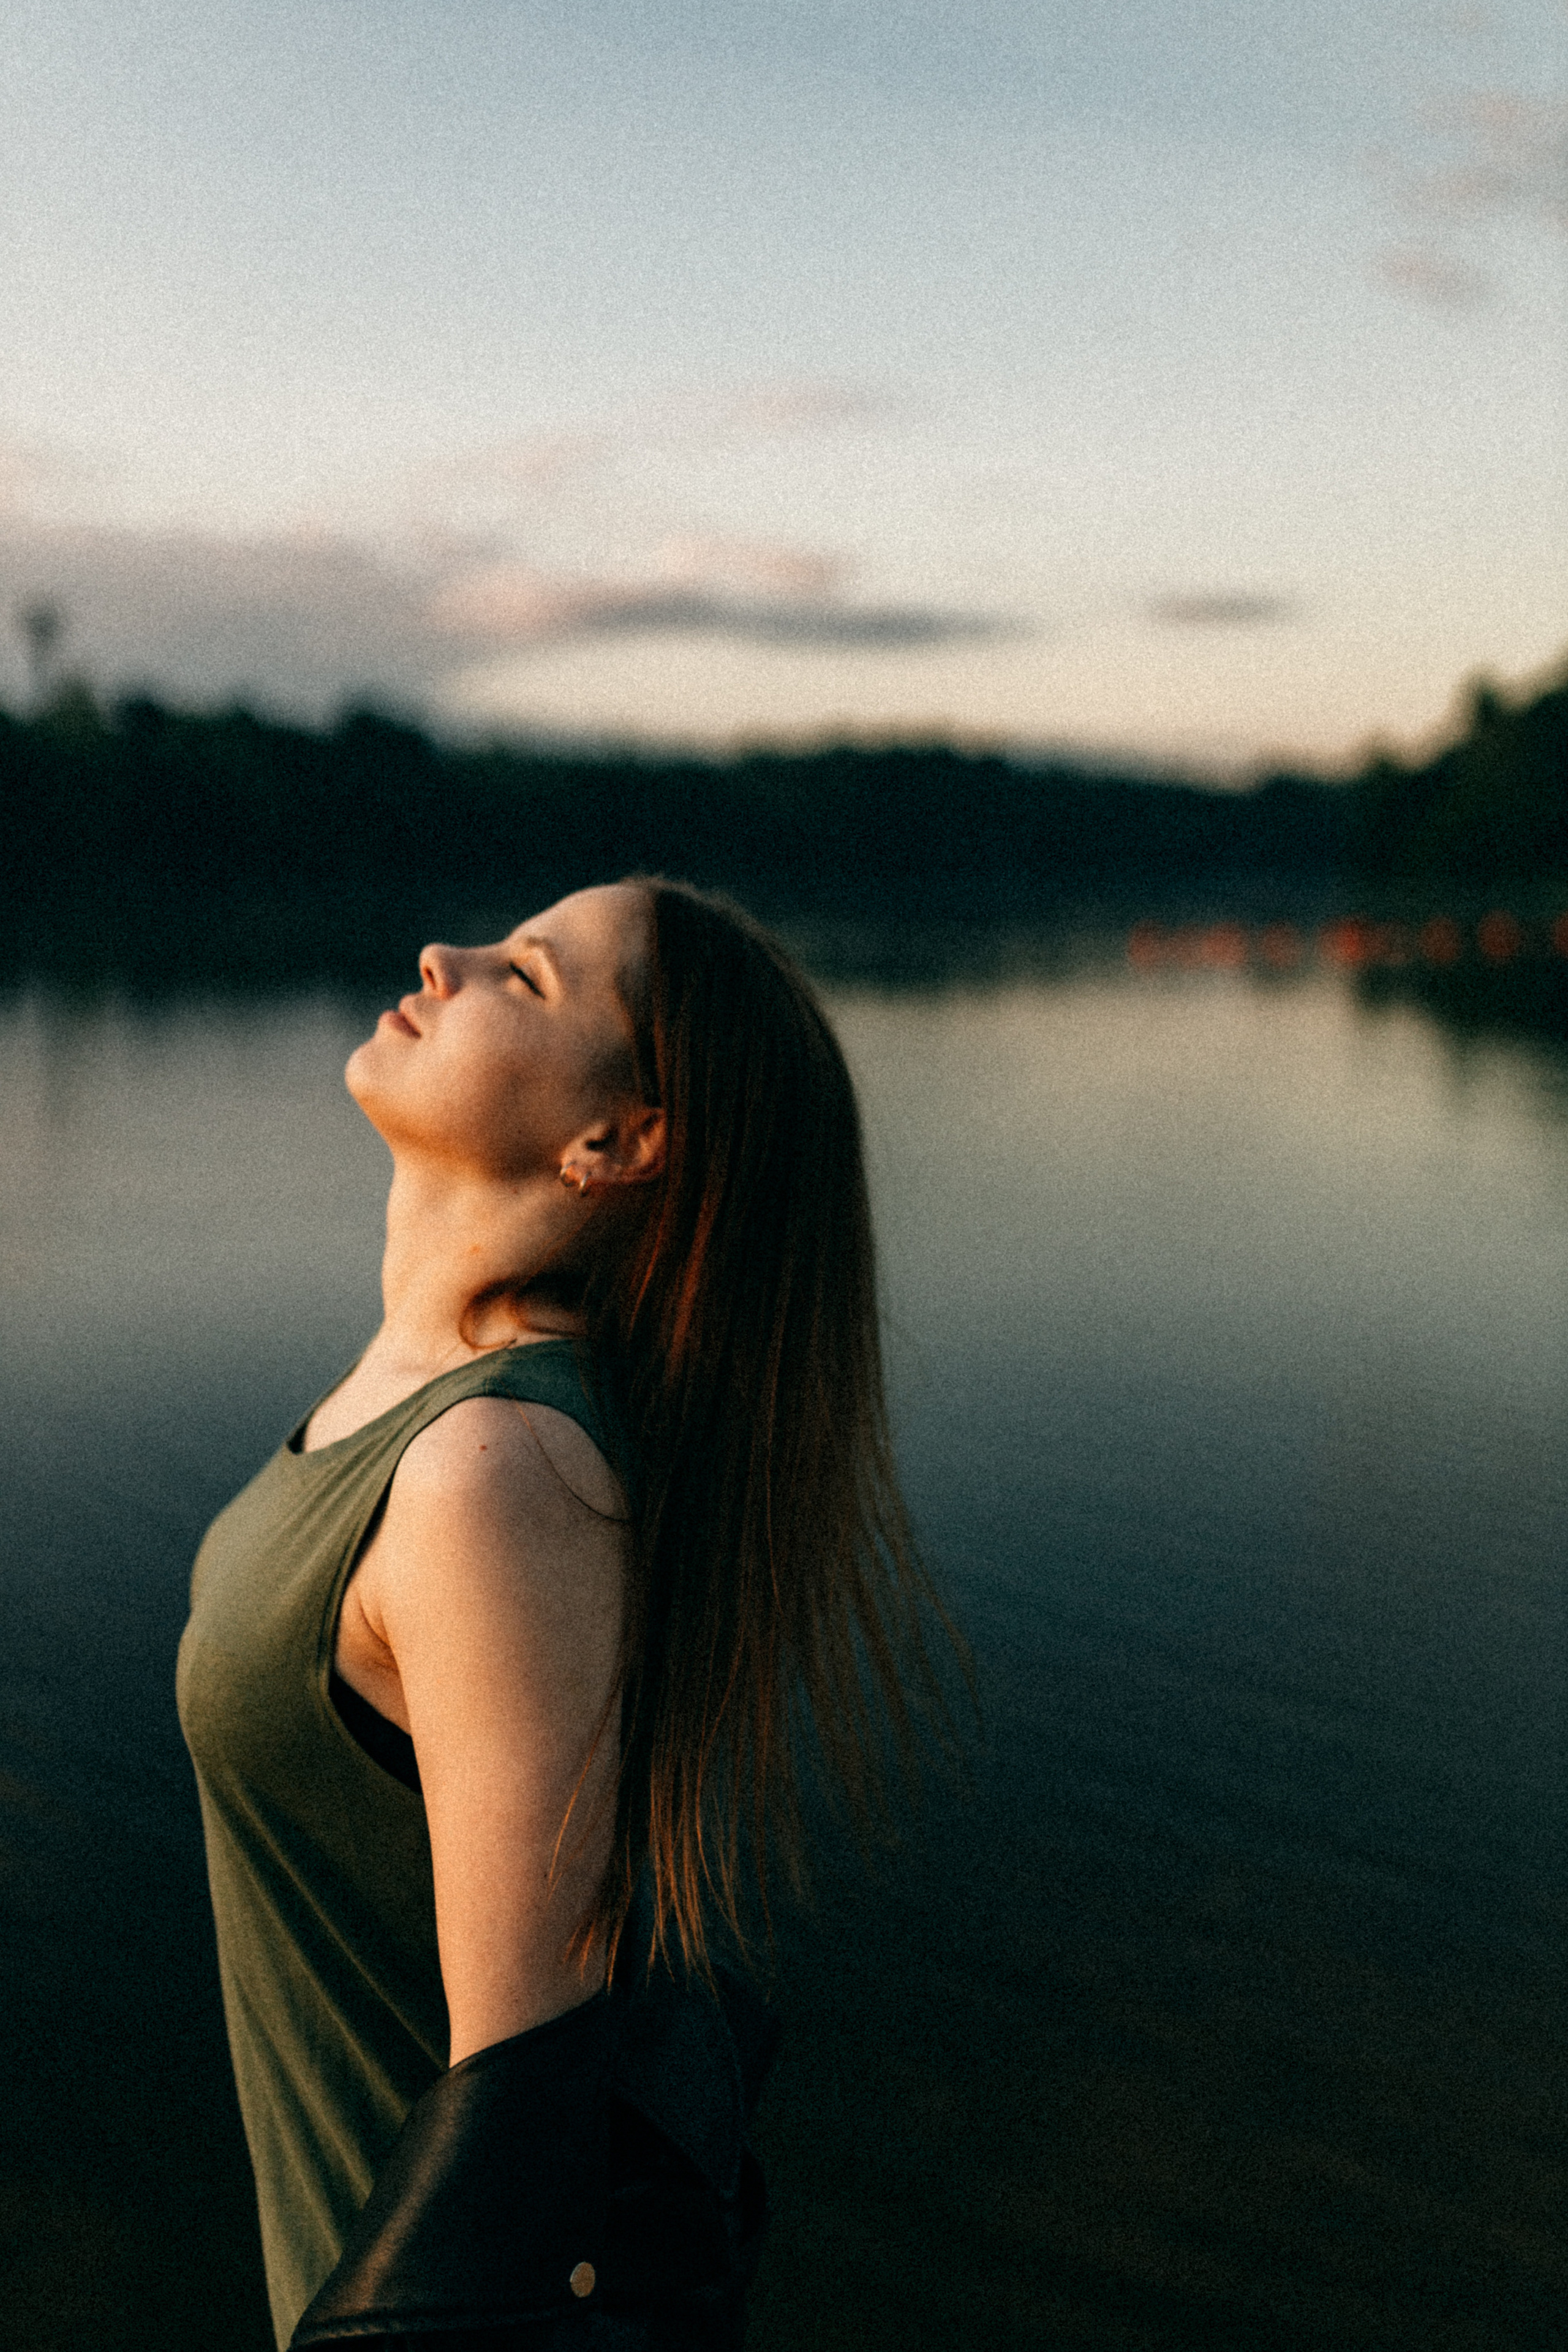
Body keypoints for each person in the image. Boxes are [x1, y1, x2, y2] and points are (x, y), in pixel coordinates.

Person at [177, 878, 957, 2352]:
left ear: (618, 1141)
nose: (442, 955)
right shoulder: (417, 1407)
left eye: (524, 977)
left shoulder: (495, 1475)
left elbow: (525, 2157)